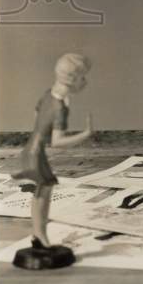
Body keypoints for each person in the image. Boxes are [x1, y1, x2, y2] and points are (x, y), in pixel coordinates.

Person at [12, 52, 93, 247]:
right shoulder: (60, 108)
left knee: (40, 192)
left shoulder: (48, 94)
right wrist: (86, 134)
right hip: (37, 153)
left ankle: (38, 236)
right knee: (44, 193)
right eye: (82, 77)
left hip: (31, 148)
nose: (85, 81)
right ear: (72, 79)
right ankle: (40, 237)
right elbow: (57, 142)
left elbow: (37, 117)